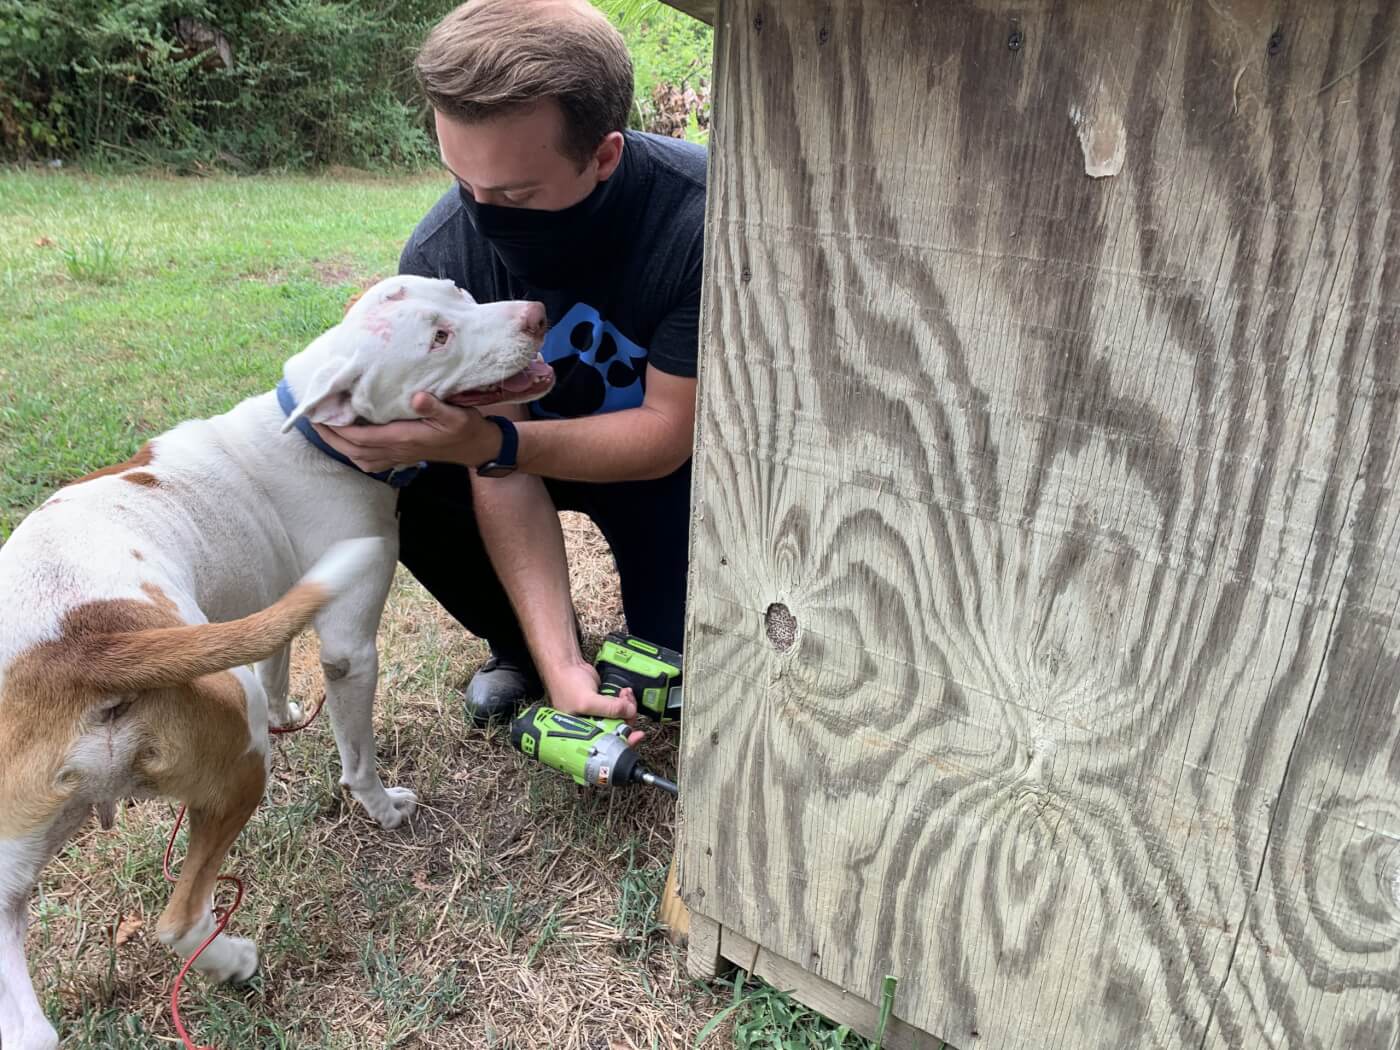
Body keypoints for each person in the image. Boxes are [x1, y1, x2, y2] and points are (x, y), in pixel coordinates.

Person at [313, 0, 705, 727]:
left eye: (516, 193)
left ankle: (656, 629)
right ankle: (521, 648)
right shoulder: (442, 253)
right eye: (464, 182)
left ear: (604, 156)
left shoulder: (698, 219)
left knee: (679, 675)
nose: (481, 212)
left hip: (664, 474)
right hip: (515, 456)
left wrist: (498, 445)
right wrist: (560, 666)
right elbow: (495, 469)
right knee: (407, 480)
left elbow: (666, 435)